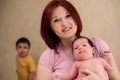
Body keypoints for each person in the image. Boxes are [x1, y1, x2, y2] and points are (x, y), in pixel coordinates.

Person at [37, 0, 120, 80]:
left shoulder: (98, 44)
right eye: (56, 20)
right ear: (50, 28)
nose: (65, 23)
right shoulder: (48, 56)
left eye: (68, 16)